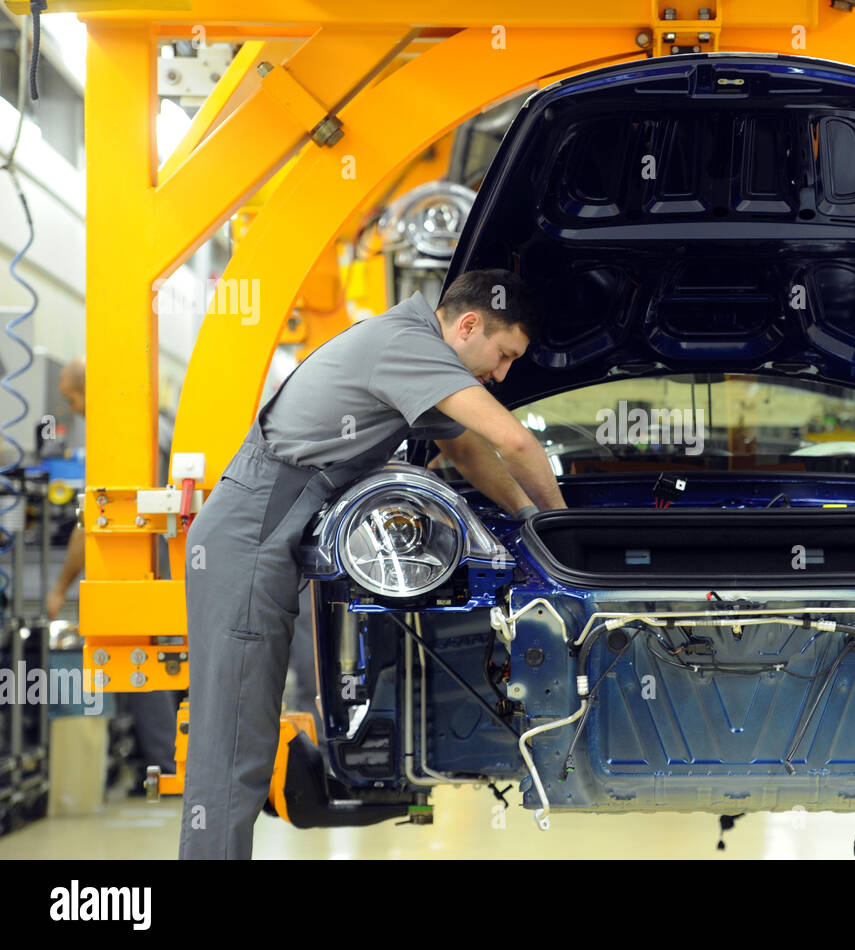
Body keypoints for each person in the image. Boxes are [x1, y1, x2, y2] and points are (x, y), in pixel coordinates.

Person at [179, 269, 565, 859]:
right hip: (249, 533)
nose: (503, 373)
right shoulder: (406, 344)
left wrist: (528, 518)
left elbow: (464, 445)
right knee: (234, 744)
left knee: (242, 740)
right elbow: (515, 441)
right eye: (504, 354)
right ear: (468, 324)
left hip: (267, 533)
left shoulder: (417, 348)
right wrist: (566, 530)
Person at [48, 357, 183, 778]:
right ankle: (178, 757)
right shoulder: (160, 428)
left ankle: (165, 764)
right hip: (177, 567)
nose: (73, 409)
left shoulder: (120, 438)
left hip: (144, 569)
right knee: (177, 660)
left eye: (72, 399)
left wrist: (60, 587)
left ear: (89, 392)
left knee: (141, 660)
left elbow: (91, 523)